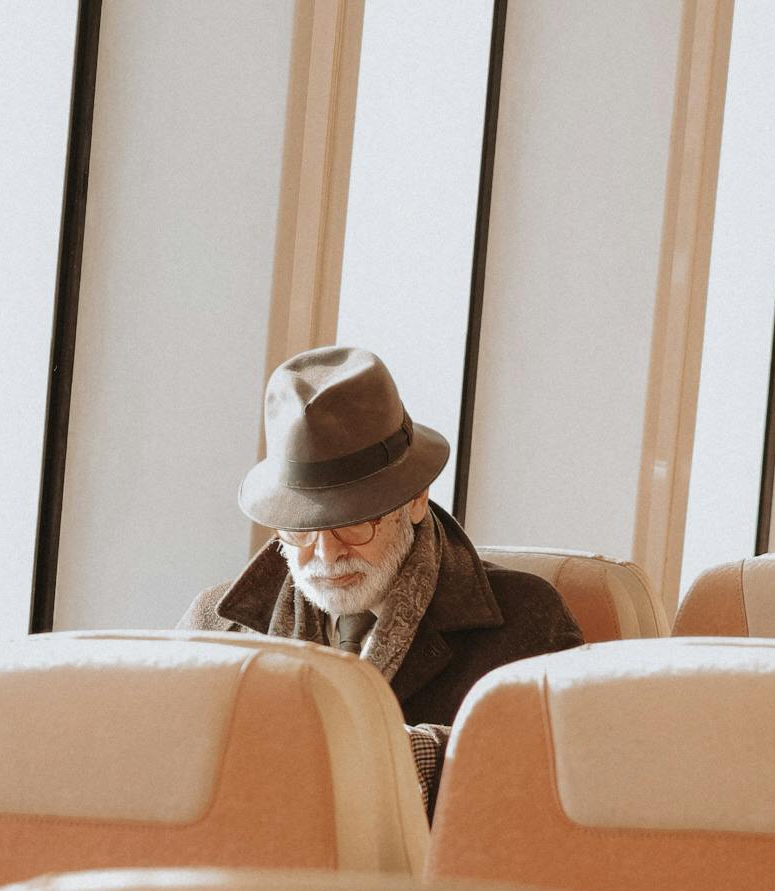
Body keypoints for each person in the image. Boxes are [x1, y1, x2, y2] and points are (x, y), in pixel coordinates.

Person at [183, 345, 579, 810]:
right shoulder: (214, 627)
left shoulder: (528, 623)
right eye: (300, 528)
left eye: (354, 523)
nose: (327, 554)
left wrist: (415, 757)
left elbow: (555, 797)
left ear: (415, 500)